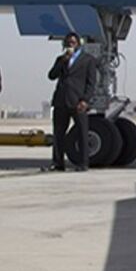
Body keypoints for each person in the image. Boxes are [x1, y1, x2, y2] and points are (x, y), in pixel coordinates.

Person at [46, 32, 96, 172]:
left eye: (73, 42)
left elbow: (91, 83)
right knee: (58, 134)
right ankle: (58, 163)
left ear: (78, 44)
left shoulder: (88, 60)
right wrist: (63, 61)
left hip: (78, 101)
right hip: (61, 101)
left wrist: (85, 100)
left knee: (82, 133)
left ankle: (83, 163)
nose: (70, 44)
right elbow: (51, 76)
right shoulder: (61, 59)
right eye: (68, 42)